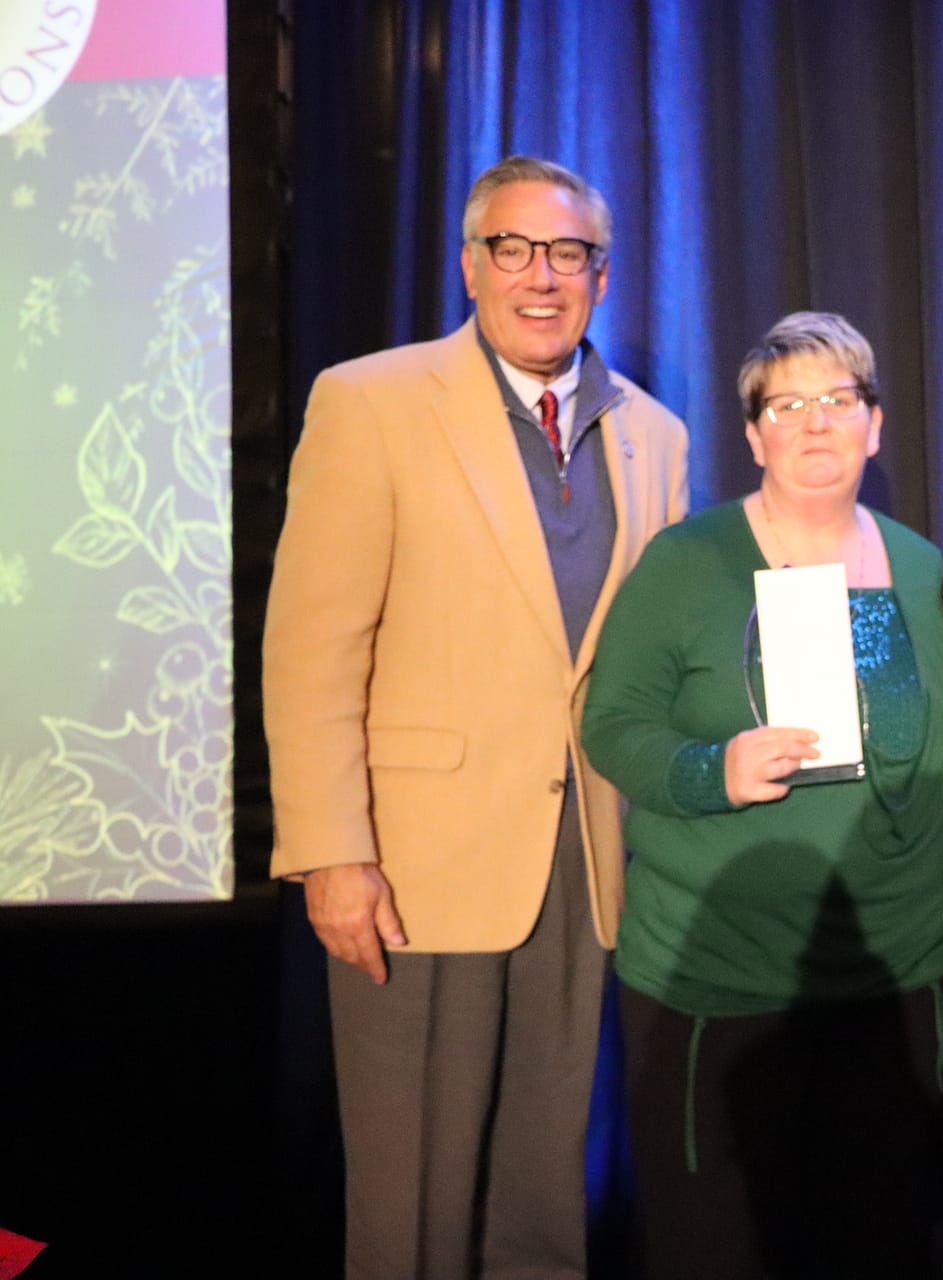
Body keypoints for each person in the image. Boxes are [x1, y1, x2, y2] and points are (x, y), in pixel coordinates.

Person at [262, 155, 688, 1279]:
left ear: (603, 275)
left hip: (585, 861)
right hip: (414, 867)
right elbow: (312, 648)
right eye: (513, 247)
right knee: (413, 1204)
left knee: (546, 1195)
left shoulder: (658, 434)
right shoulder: (372, 399)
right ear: (470, 263)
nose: (539, 276)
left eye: (567, 254)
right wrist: (331, 852)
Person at [580, 311, 943, 1278]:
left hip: (892, 983)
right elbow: (610, 722)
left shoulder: (921, 569)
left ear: (875, 425)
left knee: (877, 1246)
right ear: (753, 435)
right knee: (721, 1249)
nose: (815, 422)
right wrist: (713, 772)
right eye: (787, 404)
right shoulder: (689, 562)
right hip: (722, 989)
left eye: (839, 399)